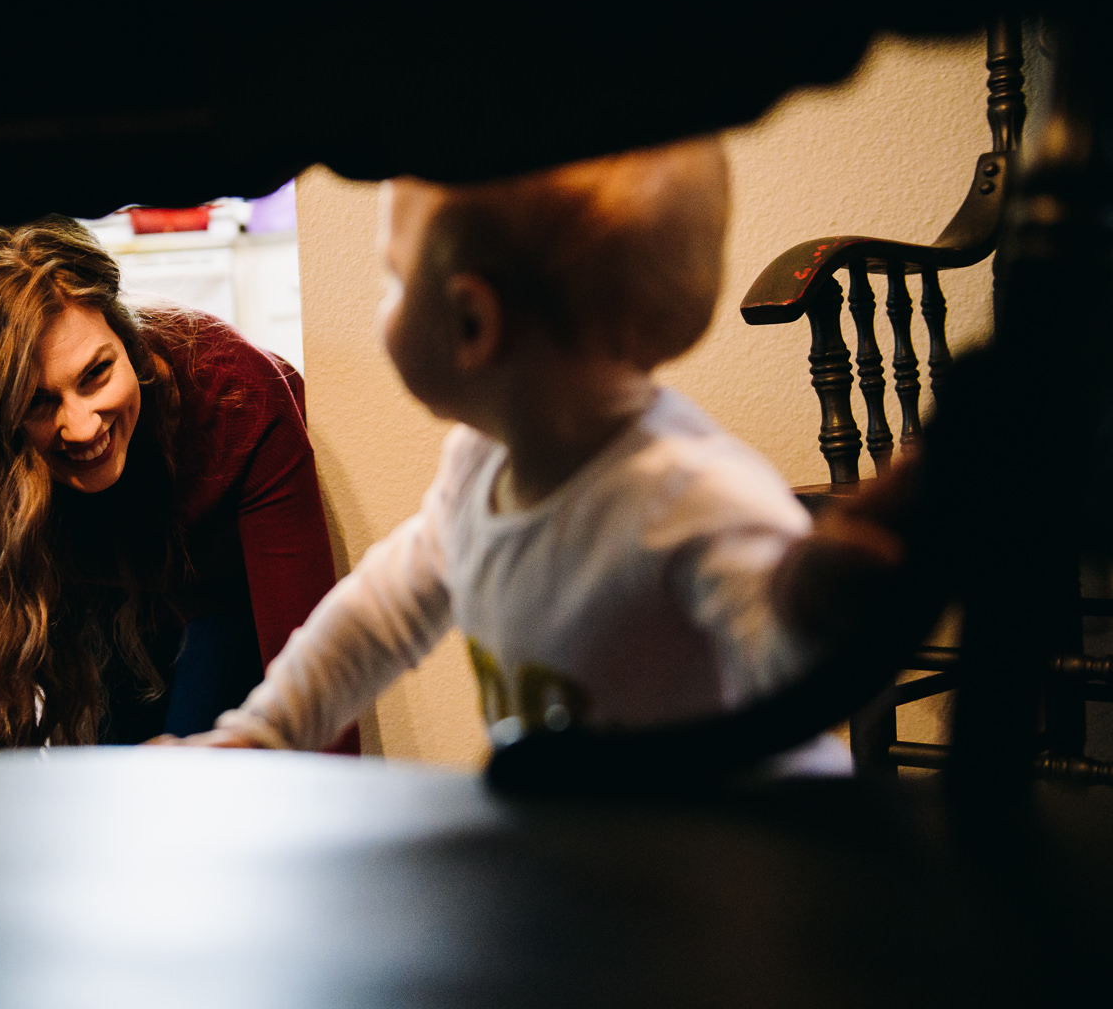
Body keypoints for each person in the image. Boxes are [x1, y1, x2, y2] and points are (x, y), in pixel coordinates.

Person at [160, 139, 839, 759]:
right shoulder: (479, 466)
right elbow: (374, 618)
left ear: (473, 322)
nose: (383, 302)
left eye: (393, 278)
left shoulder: (698, 499)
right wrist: (260, 734)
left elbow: (805, 689)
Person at [0, 216, 353, 752]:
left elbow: (316, 683)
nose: (83, 427)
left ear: (126, 340)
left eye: (97, 374)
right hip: (94, 579)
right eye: (37, 402)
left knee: (192, 777)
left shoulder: (239, 400)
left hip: (219, 587)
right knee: (106, 775)